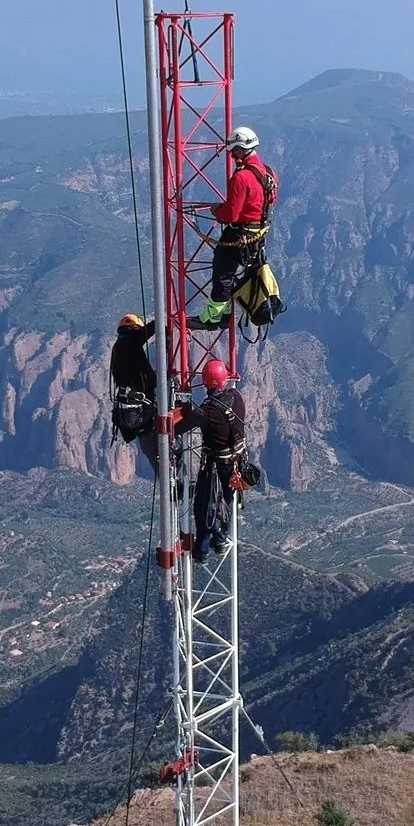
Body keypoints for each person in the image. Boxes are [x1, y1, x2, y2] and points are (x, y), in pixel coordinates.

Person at [192, 126, 278, 329]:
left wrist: (216, 211)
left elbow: (231, 214)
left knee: (222, 273)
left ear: (239, 150)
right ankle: (224, 313)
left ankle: (215, 317)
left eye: (232, 152)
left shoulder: (241, 178)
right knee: (233, 274)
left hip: (239, 233)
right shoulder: (269, 172)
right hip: (257, 234)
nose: (231, 156)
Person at [172, 358, 246, 561]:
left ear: (205, 382)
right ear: (224, 380)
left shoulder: (206, 412)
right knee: (228, 501)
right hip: (235, 463)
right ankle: (218, 540)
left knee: (203, 505)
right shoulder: (237, 397)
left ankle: (208, 545)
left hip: (215, 464)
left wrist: (181, 410)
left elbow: (177, 429)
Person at [108, 314, 160, 474]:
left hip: (130, 410)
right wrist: (161, 322)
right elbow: (144, 333)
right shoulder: (127, 343)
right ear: (134, 329)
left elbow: (142, 377)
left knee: (148, 441)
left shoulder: (121, 348)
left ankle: (169, 477)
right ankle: (171, 479)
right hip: (138, 410)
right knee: (155, 436)